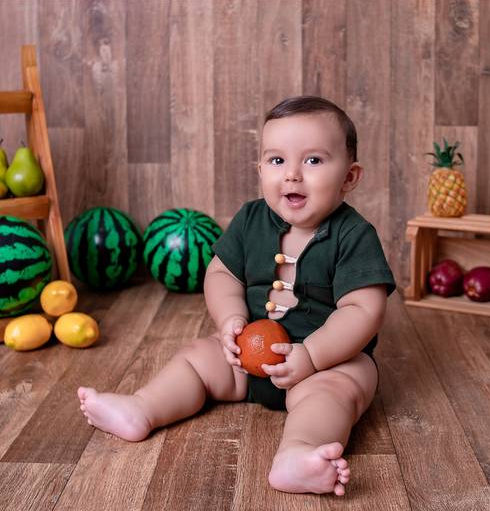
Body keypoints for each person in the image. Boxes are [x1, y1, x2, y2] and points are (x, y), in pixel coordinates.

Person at [77, 96, 396, 496]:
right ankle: (142, 408)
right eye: (277, 160)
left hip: (327, 364)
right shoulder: (250, 219)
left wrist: (312, 356)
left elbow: (363, 310)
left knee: (338, 392)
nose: (292, 175)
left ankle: (299, 454)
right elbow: (221, 274)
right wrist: (230, 319)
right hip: (246, 359)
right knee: (196, 357)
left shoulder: (354, 235)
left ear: (349, 177)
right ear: (260, 169)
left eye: (313, 160)